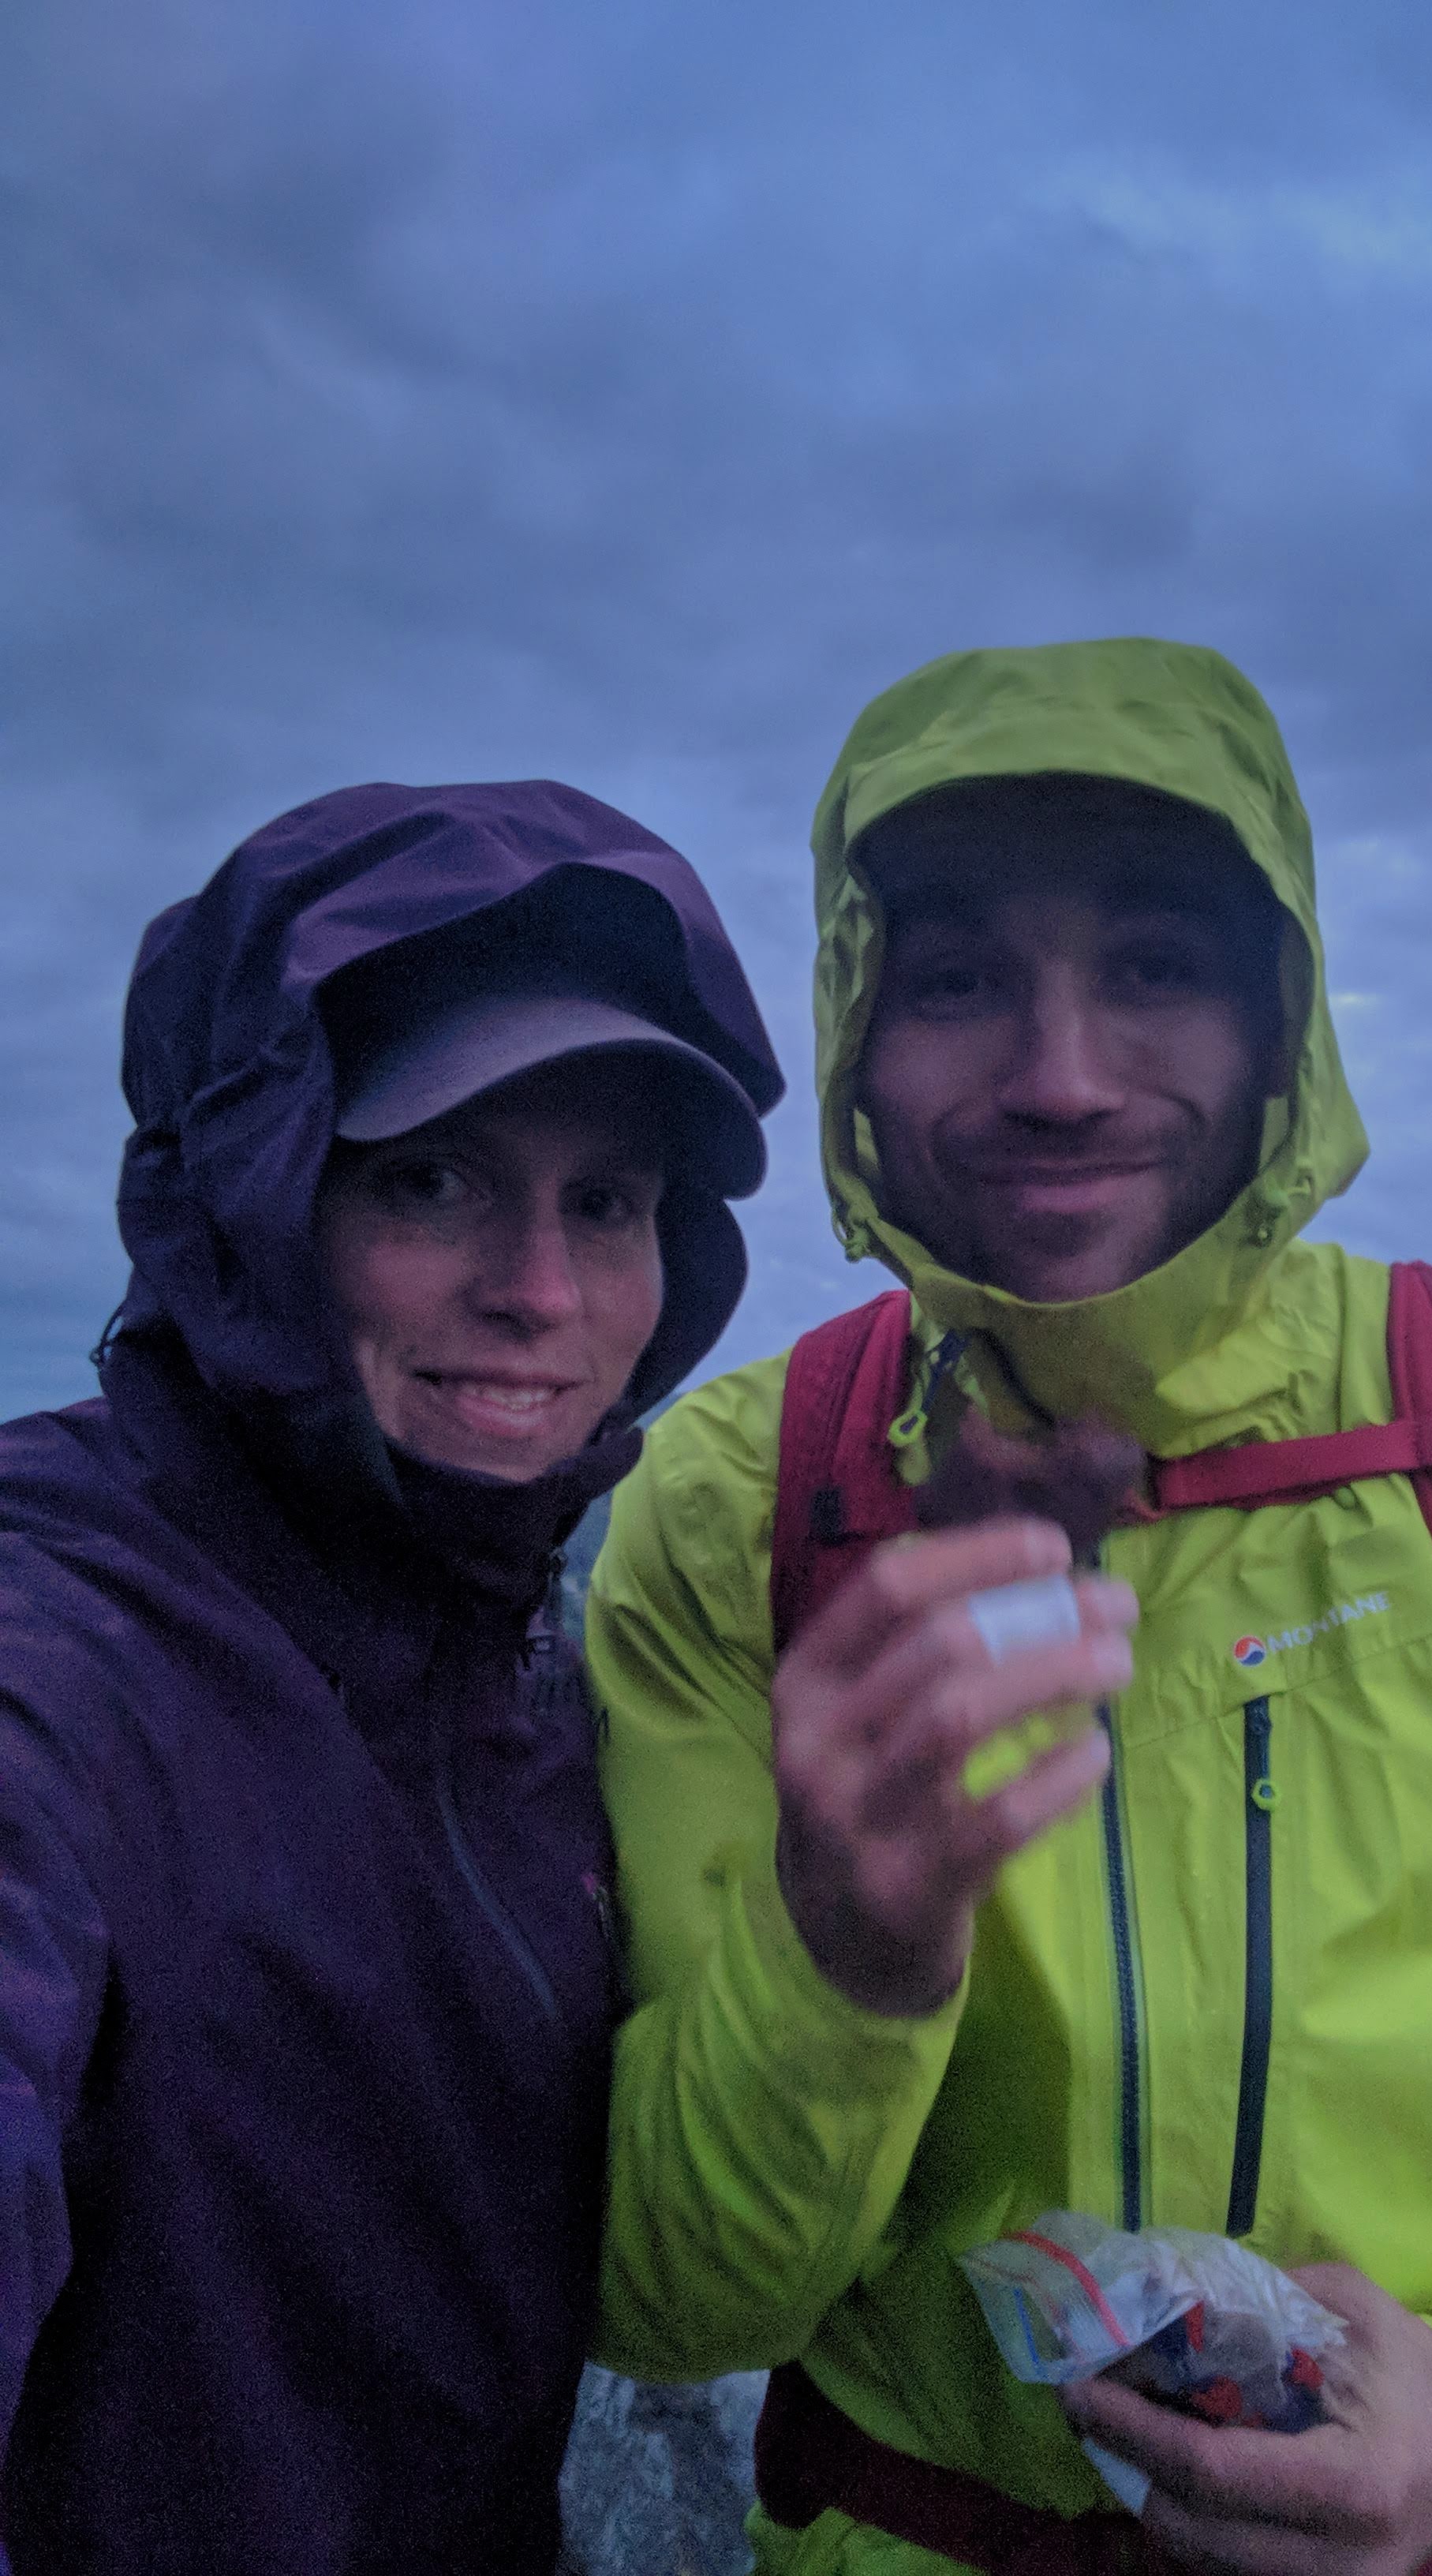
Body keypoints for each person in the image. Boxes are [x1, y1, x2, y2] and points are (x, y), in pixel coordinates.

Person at [586, 641, 1432, 2576]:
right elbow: (674, 2303)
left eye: (1155, 966)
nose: (1060, 1079)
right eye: (958, 980)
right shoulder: (738, 1508)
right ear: (857, 1031)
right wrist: (841, 1956)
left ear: (1285, 1013)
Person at [0, 779, 782, 2575]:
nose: (541, 1291)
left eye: (608, 1200)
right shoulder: (67, 1638)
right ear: (251, 1195)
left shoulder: (494, 1643)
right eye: (430, 1177)